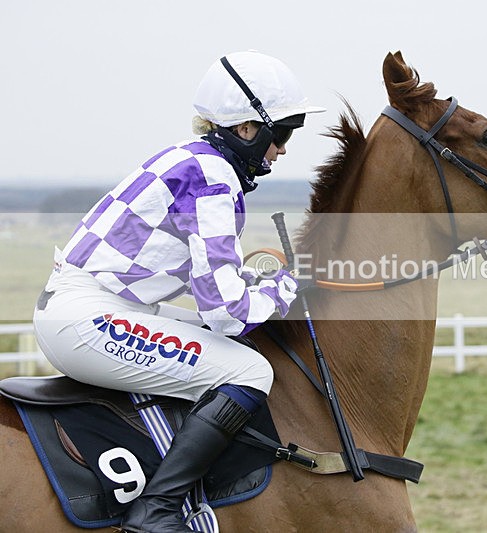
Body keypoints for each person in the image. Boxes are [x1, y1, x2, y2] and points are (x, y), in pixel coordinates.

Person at [32, 51, 324, 532]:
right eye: (283, 134)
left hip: (88, 306)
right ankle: (157, 510)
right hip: (89, 318)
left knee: (238, 353)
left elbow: (211, 285)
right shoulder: (214, 177)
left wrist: (262, 285)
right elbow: (227, 315)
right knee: (250, 369)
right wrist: (289, 283)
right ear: (247, 128)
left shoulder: (188, 159)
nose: (283, 150)